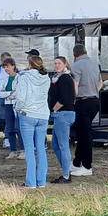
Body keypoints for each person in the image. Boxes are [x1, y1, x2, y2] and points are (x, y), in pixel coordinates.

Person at [10, 54, 51, 188]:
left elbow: (21, 97)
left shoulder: (24, 77)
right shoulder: (46, 78)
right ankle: (42, 181)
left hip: (27, 113)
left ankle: (31, 181)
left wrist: (18, 109)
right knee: (41, 148)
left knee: (29, 148)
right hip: (43, 114)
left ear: (30, 65)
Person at [70, 44, 102, 176]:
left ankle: (87, 166)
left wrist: (72, 101)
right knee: (84, 133)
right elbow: (101, 82)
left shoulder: (76, 65)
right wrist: (94, 91)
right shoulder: (94, 64)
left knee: (85, 135)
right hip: (94, 100)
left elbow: (75, 86)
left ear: (74, 54)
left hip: (82, 101)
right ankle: (77, 162)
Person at [48, 56, 77, 184]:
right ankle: (67, 169)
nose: (56, 65)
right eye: (55, 63)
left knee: (63, 146)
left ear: (65, 64)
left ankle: (66, 175)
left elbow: (66, 98)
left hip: (63, 114)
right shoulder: (58, 78)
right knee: (55, 144)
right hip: (62, 114)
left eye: (59, 63)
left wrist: (54, 109)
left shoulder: (65, 78)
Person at [0, 57, 23, 159]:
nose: (6, 69)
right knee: (10, 128)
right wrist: (10, 93)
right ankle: (13, 150)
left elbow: (18, 93)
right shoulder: (3, 79)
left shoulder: (20, 77)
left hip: (18, 105)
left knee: (19, 128)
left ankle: (23, 150)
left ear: (13, 66)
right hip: (8, 105)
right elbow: (0, 94)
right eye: (4, 67)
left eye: (8, 66)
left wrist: (8, 94)